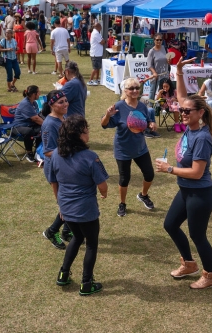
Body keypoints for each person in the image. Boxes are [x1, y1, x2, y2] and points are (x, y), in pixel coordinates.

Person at [154, 56, 212, 289]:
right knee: (170, 224)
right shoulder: (190, 122)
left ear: (200, 113)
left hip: (200, 193)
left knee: (197, 235)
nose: (183, 113)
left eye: (187, 111)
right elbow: (183, 98)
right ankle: (189, 264)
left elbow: (197, 173)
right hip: (185, 190)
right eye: (181, 111)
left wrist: (169, 169)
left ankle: (210, 275)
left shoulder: (201, 138)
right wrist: (179, 71)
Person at [50, 115, 108, 296]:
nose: (88, 133)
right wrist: (104, 192)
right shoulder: (90, 157)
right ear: (79, 135)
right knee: (91, 244)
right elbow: (102, 185)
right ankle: (86, 283)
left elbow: (54, 182)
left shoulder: (56, 154)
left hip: (66, 208)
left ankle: (63, 274)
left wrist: (60, 204)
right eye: (86, 130)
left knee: (76, 237)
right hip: (86, 210)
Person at [101, 77, 157, 217]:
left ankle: (143, 195)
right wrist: (108, 115)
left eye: (137, 88)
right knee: (124, 178)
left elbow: (148, 121)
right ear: (125, 91)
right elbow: (104, 125)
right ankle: (122, 203)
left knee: (149, 174)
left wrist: (151, 125)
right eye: (131, 88)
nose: (135, 91)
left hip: (140, 148)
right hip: (123, 149)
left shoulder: (142, 106)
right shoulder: (118, 107)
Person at [41, 90, 73, 250]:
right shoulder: (48, 124)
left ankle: (67, 231)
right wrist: (71, 150)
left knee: (72, 199)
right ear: (51, 105)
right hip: (55, 168)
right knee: (66, 203)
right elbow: (47, 151)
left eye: (66, 100)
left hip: (66, 165)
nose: (65, 104)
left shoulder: (64, 117)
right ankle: (51, 231)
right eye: (61, 102)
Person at [12, 85, 43, 162]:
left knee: (42, 129)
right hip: (18, 127)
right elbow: (35, 118)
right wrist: (48, 124)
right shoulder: (25, 104)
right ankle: (29, 153)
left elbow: (37, 116)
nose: (40, 93)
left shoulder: (34, 103)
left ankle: (38, 151)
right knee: (29, 131)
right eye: (38, 92)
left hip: (29, 124)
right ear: (33, 94)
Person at [147, 33, 169, 99]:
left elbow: (168, 62)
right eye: (157, 40)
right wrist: (154, 73)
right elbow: (149, 65)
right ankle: (150, 106)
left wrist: (169, 61)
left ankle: (161, 105)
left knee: (164, 91)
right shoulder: (151, 51)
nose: (159, 41)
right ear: (154, 41)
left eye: (160, 40)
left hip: (164, 74)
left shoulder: (164, 48)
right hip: (155, 75)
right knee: (152, 91)